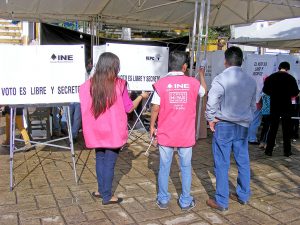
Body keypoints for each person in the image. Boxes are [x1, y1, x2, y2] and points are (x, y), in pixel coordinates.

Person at [79, 52, 149, 205]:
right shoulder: (119, 84)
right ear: (113, 66)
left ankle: (100, 190)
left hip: (95, 130)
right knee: (109, 163)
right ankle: (107, 195)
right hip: (113, 131)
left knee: (100, 159)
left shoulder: (88, 85)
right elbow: (129, 109)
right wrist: (141, 97)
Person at [150, 51, 207, 211]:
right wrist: (201, 74)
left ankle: (162, 199)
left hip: (166, 133)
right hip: (186, 134)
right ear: (184, 67)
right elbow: (204, 90)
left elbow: (155, 108)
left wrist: (152, 126)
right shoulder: (192, 83)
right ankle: (185, 201)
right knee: (186, 167)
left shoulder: (161, 83)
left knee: (164, 166)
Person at [205, 46, 256, 211]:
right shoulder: (250, 80)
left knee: (221, 163)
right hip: (242, 126)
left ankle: (222, 201)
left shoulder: (221, 78)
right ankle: (243, 195)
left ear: (225, 61)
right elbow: (253, 105)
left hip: (224, 124)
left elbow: (212, 101)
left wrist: (211, 119)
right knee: (243, 161)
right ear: (242, 61)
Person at [263, 61, 299, 157]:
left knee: (273, 129)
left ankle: (269, 150)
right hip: (286, 106)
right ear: (288, 69)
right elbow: (295, 93)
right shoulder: (291, 79)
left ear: (279, 67)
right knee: (287, 130)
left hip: (274, 106)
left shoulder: (271, 77)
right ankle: (287, 151)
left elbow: (265, 90)